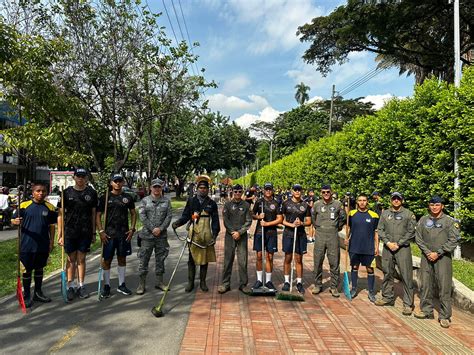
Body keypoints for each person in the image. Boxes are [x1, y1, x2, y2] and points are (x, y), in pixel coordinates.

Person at [414, 196, 459, 328]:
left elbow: (453, 240)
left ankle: (445, 316)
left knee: (444, 286)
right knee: (425, 284)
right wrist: (427, 252)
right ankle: (426, 310)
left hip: (443, 258)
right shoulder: (423, 220)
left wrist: (438, 252)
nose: (434, 207)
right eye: (432, 205)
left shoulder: (450, 221)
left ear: (442, 206)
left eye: (437, 205)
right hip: (426, 256)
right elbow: (418, 238)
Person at [11, 182, 57, 308]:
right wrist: (15, 221)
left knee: (39, 269)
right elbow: (13, 220)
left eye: (43, 191)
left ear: (46, 192)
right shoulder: (24, 206)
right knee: (26, 270)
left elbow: (52, 227)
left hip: (42, 244)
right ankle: (26, 295)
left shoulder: (50, 207)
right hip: (26, 245)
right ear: (33, 192)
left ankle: (38, 292)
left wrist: (51, 242)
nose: (41, 193)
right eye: (38, 191)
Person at [172, 176, 220, 292]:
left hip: (206, 233)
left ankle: (203, 282)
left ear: (208, 189)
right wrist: (178, 223)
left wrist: (214, 235)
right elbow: (185, 215)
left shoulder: (212, 203)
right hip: (193, 233)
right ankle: (190, 282)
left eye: (205, 188)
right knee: (191, 259)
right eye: (201, 188)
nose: (203, 190)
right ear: (197, 189)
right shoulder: (191, 201)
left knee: (205, 259)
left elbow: (215, 221)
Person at [58, 168, 98, 300]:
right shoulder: (66, 192)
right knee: (71, 260)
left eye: (83, 176)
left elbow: (93, 214)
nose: (80, 179)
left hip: (85, 232)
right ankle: (70, 286)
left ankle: (81, 285)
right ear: (74, 177)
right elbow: (61, 215)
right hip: (70, 231)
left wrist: (93, 233)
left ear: (86, 178)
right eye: (78, 176)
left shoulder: (91, 193)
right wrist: (60, 234)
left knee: (81, 259)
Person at [375, 192, 416, 315]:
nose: (396, 200)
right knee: (387, 272)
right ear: (391, 200)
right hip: (388, 248)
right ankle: (387, 297)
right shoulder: (385, 213)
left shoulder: (409, 214)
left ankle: (408, 304)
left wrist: (398, 243)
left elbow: (411, 232)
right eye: (394, 198)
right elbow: (380, 230)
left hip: (402, 248)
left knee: (406, 276)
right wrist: (387, 243)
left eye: (398, 198)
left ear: (402, 200)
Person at [96, 173, 137, 298]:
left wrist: (132, 229)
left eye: (120, 181)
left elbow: (133, 213)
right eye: (115, 181)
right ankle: (107, 285)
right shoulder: (105, 197)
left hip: (123, 234)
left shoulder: (128, 198)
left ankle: (121, 284)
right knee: (106, 260)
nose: (118, 183)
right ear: (111, 183)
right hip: (108, 234)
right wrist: (101, 231)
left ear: (123, 182)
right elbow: (98, 215)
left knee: (122, 259)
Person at [136, 178, 172, 295]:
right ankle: (141, 284)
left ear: (162, 188)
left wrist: (160, 229)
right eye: (155, 187)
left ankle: (159, 282)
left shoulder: (166, 201)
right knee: (143, 259)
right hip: (147, 236)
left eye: (159, 187)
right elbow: (142, 217)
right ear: (151, 188)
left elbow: (169, 216)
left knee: (160, 259)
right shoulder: (145, 201)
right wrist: (153, 229)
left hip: (161, 236)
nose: (157, 189)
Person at [311, 184, 346, 297]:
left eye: (328, 192)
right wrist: (318, 227)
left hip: (333, 236)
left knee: (334, 262)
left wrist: (336, 227)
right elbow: (313, 218)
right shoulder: (316, 204)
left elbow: (343, 218)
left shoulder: (338, 204)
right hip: (320, 235)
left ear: (331, 192)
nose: (326, 194)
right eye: (323, 192)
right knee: (318, 261)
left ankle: (334, 286)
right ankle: (317, 284)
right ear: (321, 193)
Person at [217, 184, 252, 294]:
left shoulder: (246, 205)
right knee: (228, 260)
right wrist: (233, 232)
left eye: (239, 191)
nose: (237, 193)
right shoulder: (227, 205)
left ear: (242, 192)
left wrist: (240, 232)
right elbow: (225, 220)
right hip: (230, 235)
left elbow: (248, 221)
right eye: (235, 191)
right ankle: (225, 283)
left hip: (242, 236)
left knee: (243, 260)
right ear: (232, 192)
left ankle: (243, 284)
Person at [345, 193, 379, 302]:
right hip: (354, 246)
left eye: (364, 200)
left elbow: (376, 232)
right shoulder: (351, 214)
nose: (362, 202)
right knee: (354, 267)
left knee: (370, 269)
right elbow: (349, 228)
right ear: (357, 202)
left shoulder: (374, 215)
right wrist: (347, 238)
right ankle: (354, 288)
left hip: (368, 247)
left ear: (367, 202)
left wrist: (377, 247)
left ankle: (371, 292)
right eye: (360, 200)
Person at [251, 182, 283, 291]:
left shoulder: (276, 203)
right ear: (263, 190)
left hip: (271, 233)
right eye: (266, 189)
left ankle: (268, 281)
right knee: (259, 256)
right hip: (260, 232)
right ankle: (259, 280)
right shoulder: (259, 202)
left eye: (270, 189)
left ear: (272, 190)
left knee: (270, 256)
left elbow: (280, 219)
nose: (268, 191)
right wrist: (258, 216)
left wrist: (268, 224)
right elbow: (252, 214)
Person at [280, 184, 311, 294]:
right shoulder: (286, 203)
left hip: (300, 235)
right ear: (292, 191)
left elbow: (308, 221)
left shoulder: (305, 205)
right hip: (288, 234)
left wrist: (301, 223)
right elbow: (281, 220)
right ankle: (287, 281)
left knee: (299, 259)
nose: (297, 191)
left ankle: (299, 282)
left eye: (299, 190)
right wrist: (291, 225)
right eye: (295, 190)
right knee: (288, 258)